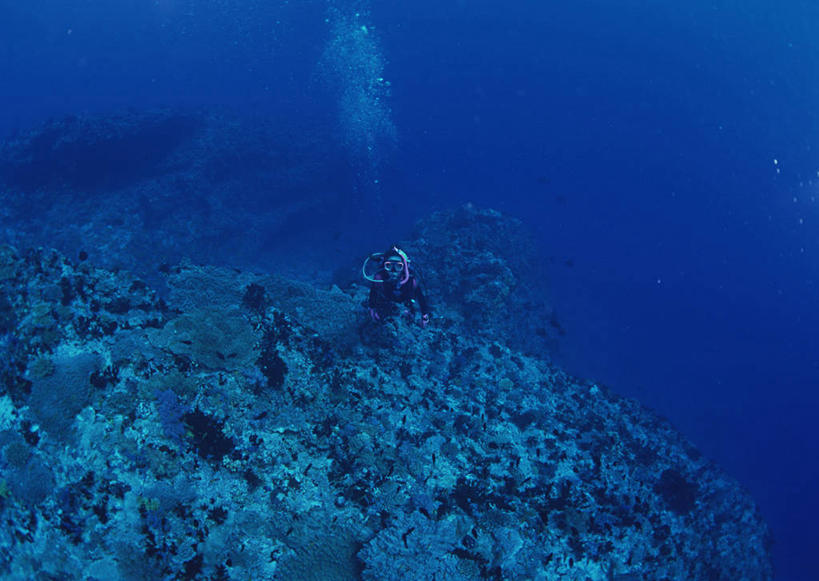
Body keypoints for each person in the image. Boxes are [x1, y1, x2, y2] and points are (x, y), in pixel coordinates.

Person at [362, 245, 431, 328]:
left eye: (398, 266)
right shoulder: (379, 279)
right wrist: (372, 309)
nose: (393, 271)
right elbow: (373, 293)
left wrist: (424, 316)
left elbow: (420, 297)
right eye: (389, 266)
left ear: (404, 267)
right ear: (384, 266)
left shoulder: (411, 281)